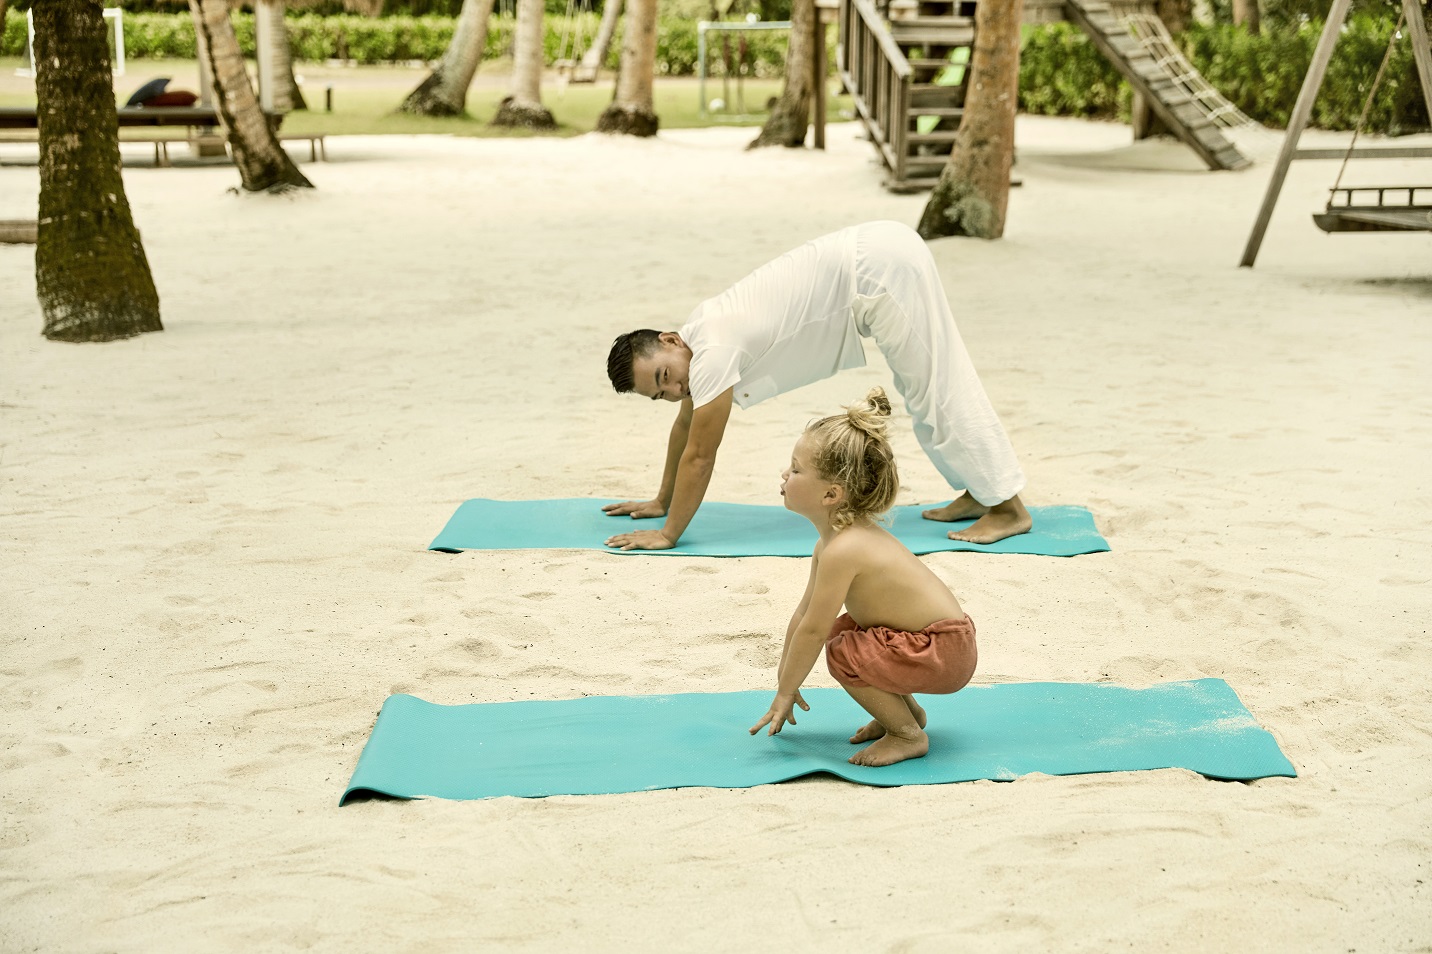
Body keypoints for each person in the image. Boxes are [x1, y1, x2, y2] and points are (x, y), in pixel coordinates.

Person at [602, 220, 1030, 551]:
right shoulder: (698, 338)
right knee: (926, 388)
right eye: (662, 394)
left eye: (665, 376)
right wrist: (661, 500)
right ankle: (981, 491)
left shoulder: (711, 351)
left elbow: (700, 454)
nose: (676, 389)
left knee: (936, 388)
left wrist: (669, 533)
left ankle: (1007, 507)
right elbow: (685, 428)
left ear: (670, 340)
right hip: (878, 260)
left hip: (879, 269)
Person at [748, 389, 977, 766]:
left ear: (831, 494)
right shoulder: (833, 543)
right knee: (843, 631)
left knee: (843, 651)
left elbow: (812, 632)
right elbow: (804, 616)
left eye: (796, 469)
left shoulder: (844, 549)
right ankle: (907, 715)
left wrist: (787, 691)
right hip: (939, 644)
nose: (785, 474)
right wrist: (784, 682)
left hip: (944, 652)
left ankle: (906, 735)